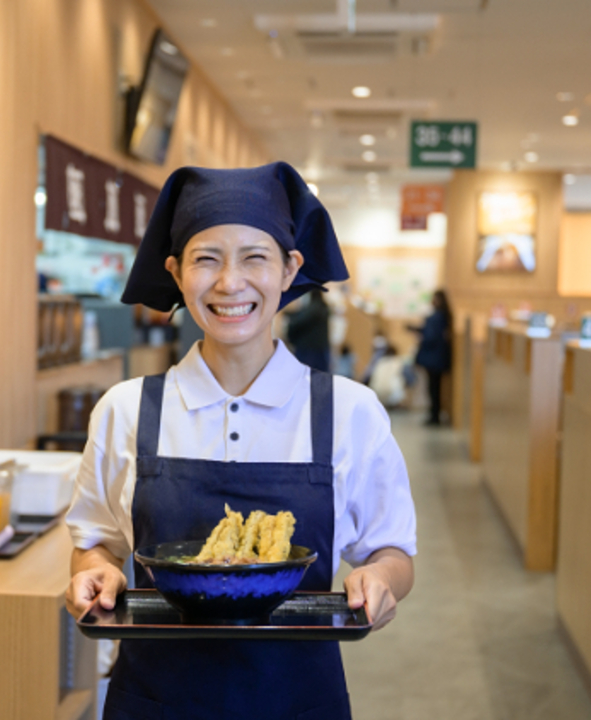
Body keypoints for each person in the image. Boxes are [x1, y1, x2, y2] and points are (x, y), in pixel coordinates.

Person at [64, 162, 417, 720]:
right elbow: (98, 542)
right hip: (154, 701)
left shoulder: (349, 412)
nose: (230, 283)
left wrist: (379, 577)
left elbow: (392, 549)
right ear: (176, 272)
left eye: (255, 257)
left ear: (289, 269)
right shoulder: (126, 410)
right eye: (207, 259)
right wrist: (94, 569)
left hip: (300, 702)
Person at [411, 290, 453, 426]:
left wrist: (420, 335)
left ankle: (434, 416)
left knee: (433, 388)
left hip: (433, 358)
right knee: (435, 387)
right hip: (439, 358)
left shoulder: (435, 317)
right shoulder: (444, 317)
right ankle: (434, 414)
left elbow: (430, 337)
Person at [284, 288, 332, 371]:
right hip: (316, 350)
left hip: (310, 351)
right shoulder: (321, 307)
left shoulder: (315, 308)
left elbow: (298, 322)